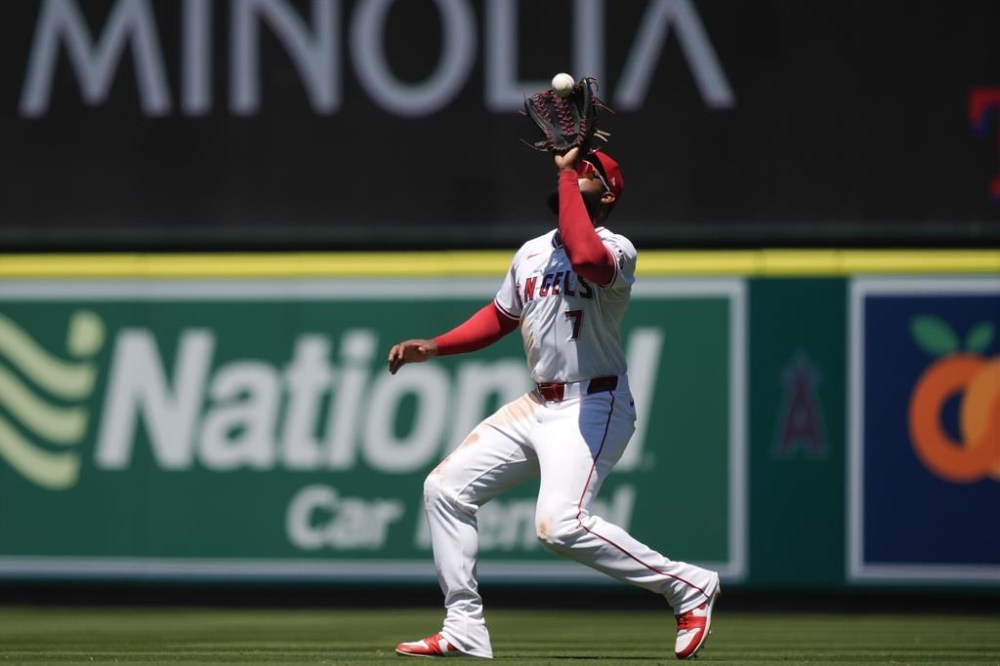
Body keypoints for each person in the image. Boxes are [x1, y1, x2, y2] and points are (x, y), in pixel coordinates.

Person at [387, 146, 721, 660]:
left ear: (607, 195)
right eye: (571, 173)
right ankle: (463, 626)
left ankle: (686, 586)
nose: (572, 175)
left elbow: (585, 257)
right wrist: (437, 345)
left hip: (595, 403)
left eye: (585, 174)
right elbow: (501, 317)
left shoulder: (617, 249)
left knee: (559, 524)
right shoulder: (531, 253)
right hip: (538, 405)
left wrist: (567, 178)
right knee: (445, 488)